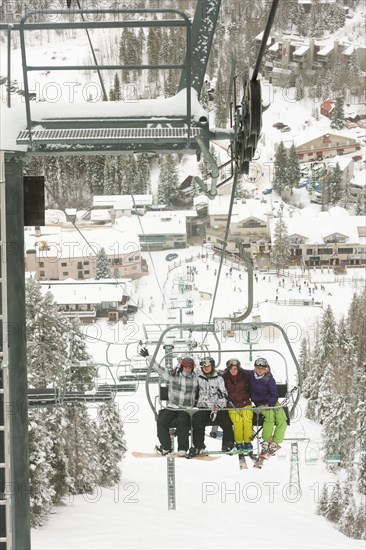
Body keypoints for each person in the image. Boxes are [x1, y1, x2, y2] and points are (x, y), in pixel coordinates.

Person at [139, 347, 198, 456]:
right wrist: (149, 357)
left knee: (182, 422)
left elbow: (209, 373)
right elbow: (159, 369)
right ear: (182, 367)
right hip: (172, 406)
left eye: (190, 368)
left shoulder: (196, 378)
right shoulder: (173, 376)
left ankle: (183, 448)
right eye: (185, 367)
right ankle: (166, 447)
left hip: (185, 408)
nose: (187, 369)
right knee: (161, 420)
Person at [188, 357, 235, 457]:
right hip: (203, 407)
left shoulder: (219, 379)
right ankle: (198, 446)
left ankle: (228, 444)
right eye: (204, 366)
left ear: (212, 366)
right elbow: (188, 371)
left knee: (226, 421)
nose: (206, 368)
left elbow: (223, 394)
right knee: (197, 422)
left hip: (217, 408)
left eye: (208, 366)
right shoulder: (198, 377)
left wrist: (218, 405)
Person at [246, 357, 287, 455]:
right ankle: (266, 440)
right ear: (255, 368)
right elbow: (238, 370)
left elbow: (275, 394)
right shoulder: (251, 375)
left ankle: (275, 442)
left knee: (282, 419)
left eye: (262, 368)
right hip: (260, 404)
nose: (260, 370)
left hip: (271, 403)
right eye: (258, 368)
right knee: (270, 417)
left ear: (266, 369)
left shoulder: (269, 379)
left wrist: (269, 404)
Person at [222, 358, 253, 452]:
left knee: (247, 420)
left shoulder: (245, 375)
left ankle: (247, 442)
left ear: (238, 368)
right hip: (232, 405)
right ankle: (239, 442)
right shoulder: (225, 377)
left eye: (235, 368)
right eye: (231, 369)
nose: (233, 371)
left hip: (245, 403)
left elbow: (257, 372)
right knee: (238, 422)